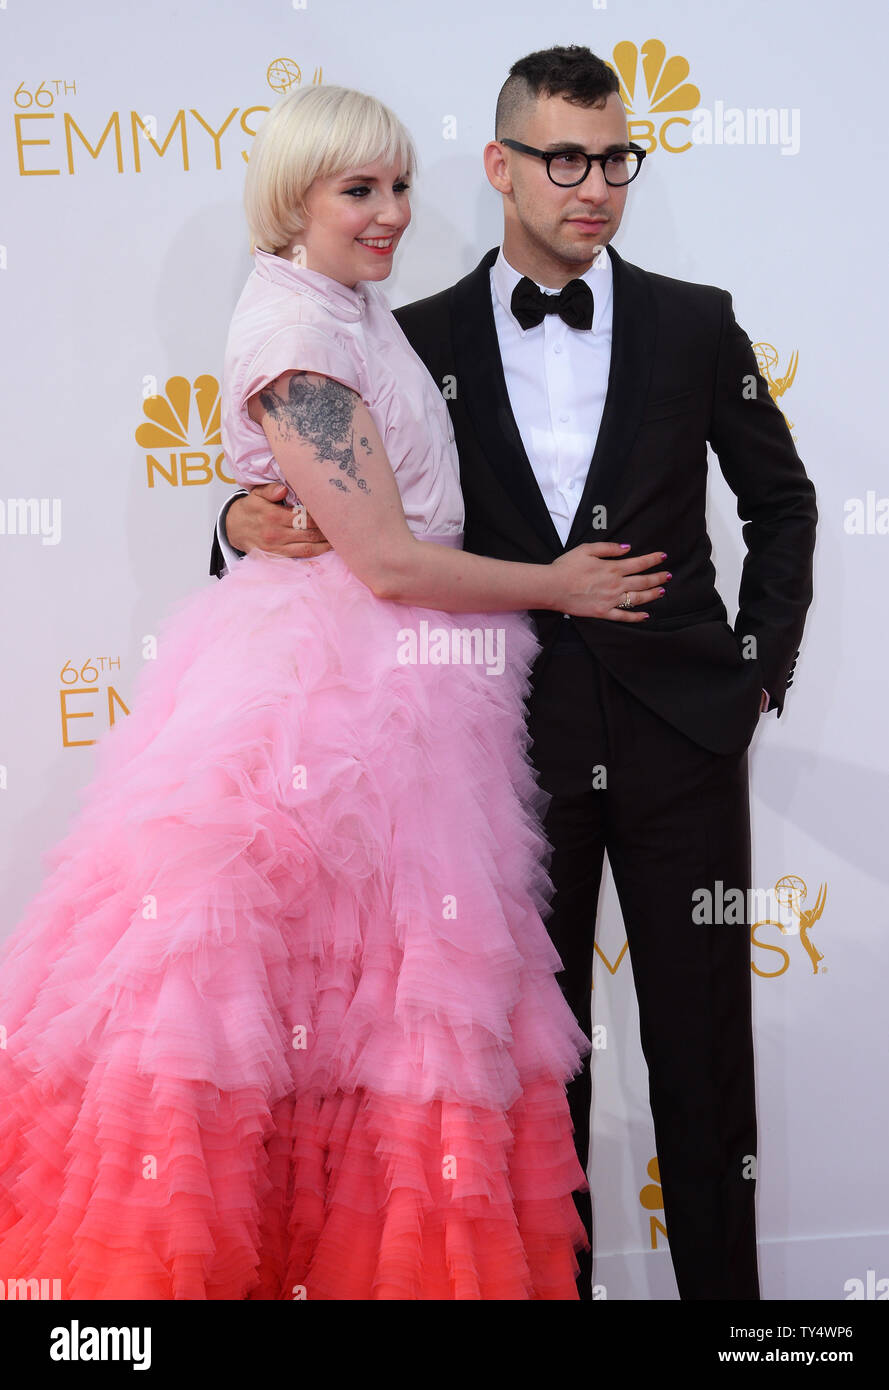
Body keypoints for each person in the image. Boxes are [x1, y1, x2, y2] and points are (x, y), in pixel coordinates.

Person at [0, 82, 674, 1301]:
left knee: (370, 1011)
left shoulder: (349, 308)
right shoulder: (298, 332)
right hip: (329, 692)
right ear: (292, 199)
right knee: (255, 1004)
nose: (392, 213)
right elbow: (389, 560)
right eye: (358, 190)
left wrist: (249, 514)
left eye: (400, 185)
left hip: (405, 688)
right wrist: (562, 585)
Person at [214, 47, 818, 1300]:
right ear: (501, 165)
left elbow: (784, 502)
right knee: (532, 1079)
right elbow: (351, 507)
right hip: (504, 753)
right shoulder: (406, 331)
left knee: (706, 1058)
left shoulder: (695, 322)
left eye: (615, 161)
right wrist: (231, 519)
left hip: (683, 739)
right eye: (565, 160)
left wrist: (755, 674)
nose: (595, 187)